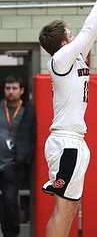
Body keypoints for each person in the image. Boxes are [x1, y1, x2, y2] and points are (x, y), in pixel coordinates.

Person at [38, 0, 97, 236]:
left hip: (72, 142)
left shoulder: (74, 57)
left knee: (70, 206)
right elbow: (87, 32)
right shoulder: (59, 59)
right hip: (66, 142)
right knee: (64, 208)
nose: (75, 36)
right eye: (70, 34)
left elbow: (92, 31)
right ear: (64, 41)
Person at [0, 75, 36, 237]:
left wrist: (24, 157)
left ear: (21, 91)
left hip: (12, 166)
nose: (11, 92)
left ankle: (11, 234)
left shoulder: (28, 111)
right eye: (8, 88)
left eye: (14, 88)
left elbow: (33, 137)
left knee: (10, 202)